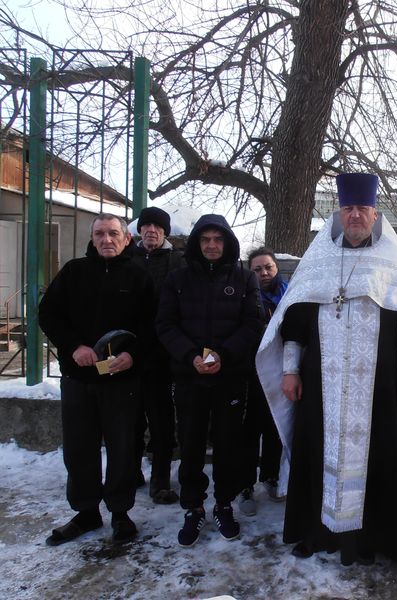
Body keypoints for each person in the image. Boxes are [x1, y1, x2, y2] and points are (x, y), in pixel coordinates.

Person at [255, 173, 397, 566]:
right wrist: (290, 371)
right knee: (317, 451)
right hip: (319, 384)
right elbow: (295, 322)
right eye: (348, 209)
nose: (356, 215)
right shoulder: (319, 261)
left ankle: (373, 539)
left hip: (377, 386)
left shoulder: (392, 263)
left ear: (375, 214)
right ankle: (319, 532)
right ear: (339, 214)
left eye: (363, 209)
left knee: (381, 455)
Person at [39, 213, 156, 545]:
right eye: (100, 234)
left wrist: (133, 355)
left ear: (126, 239)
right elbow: (47, 314)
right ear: (92, 239)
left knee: (121, 447)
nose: (107, 239)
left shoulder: (139, 277)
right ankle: (86, 511)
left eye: (113, 233)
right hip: (79, 378)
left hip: (122, 379)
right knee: (79, 447)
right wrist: (74, 346)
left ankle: (120, 512)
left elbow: (151, 325)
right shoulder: (74, 272)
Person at [157, 214, 262, 547]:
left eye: (218, 239)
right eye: (206, 240)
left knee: (228, 444)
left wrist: (223, 356)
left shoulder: (246, 279)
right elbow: (165, 325)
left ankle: (224, 502)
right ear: (197, 244)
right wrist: (191, 356)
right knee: (190, 443)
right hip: (190, 377)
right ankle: (194, 506)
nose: (212, 246)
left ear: (228, 242)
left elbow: (253, 324)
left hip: (230, 377)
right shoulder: (177, 279)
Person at [131, 206, 185, 504]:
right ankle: (130, 471)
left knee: (162, 419)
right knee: (129, 418)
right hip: (128, 352)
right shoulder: (128, 257)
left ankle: (161, 478)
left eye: (157, 227)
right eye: (146, 226)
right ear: (139, 230)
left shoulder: (178, 261)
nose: (151, 231)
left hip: (163, 354)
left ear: (165, 232)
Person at [238, 247, 288, 516]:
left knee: (275, 427)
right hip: (250, 372)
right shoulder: (244, 296)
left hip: (280, 371)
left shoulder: (290, 294)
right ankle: (244, 485)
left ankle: (270, 476)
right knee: (249, 431)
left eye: (268, 267)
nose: (264, 273)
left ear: (276, 267)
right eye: (257, 269)